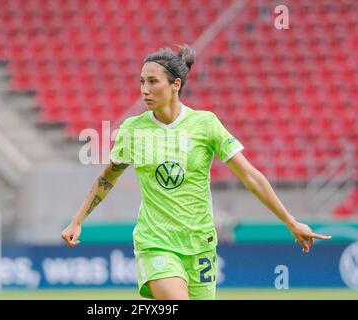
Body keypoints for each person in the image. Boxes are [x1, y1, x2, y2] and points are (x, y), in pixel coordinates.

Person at [61, 44, 332, 300]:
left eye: (153, 82)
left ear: (175, 85)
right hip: (156, 241)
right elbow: (107, 177)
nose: (144, 89)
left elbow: (250, 176)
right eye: (142, 81)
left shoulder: (205, 124)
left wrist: (290, 221)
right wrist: (77, 220)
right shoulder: (133, 130)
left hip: (200, 243)